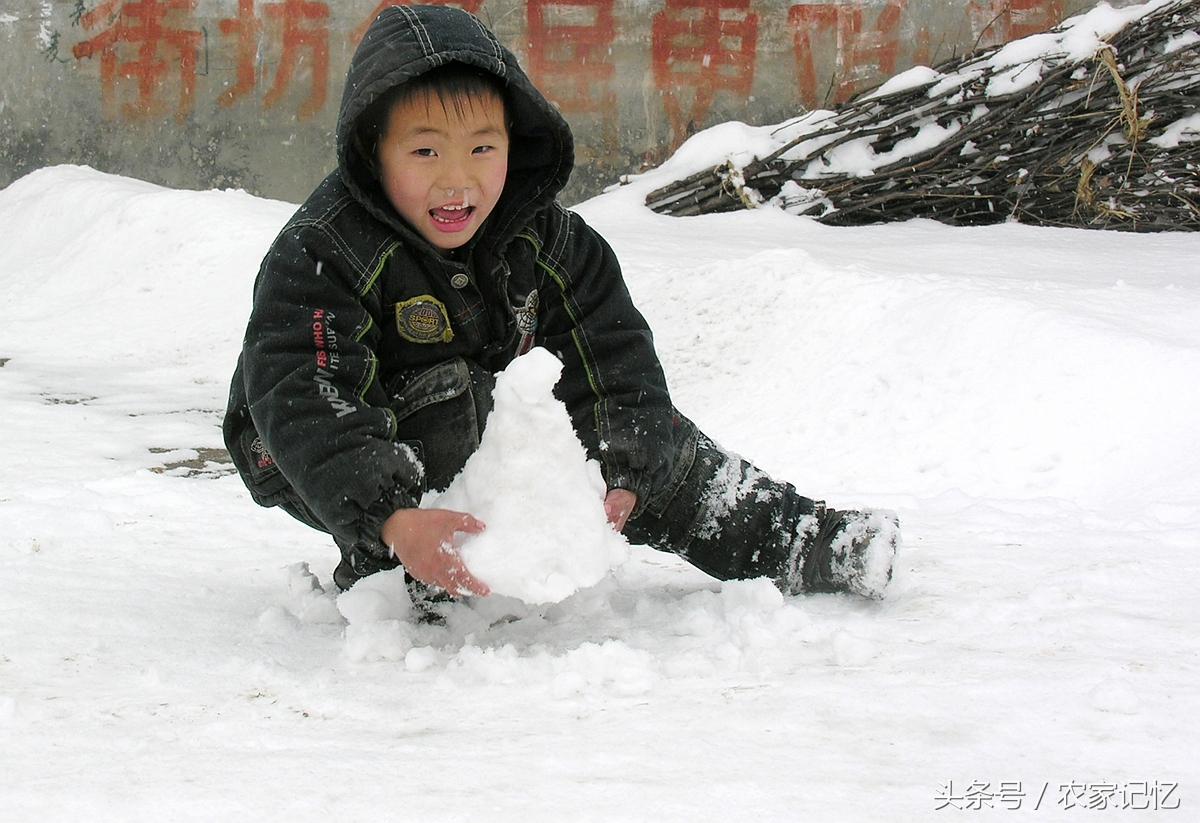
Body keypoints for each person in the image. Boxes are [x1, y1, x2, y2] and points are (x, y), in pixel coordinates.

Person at [223, 4, 900, 604]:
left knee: (644, 438)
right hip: (297, 447)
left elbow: (610, 353)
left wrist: (627, 463)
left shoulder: (543, 238)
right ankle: (399, 575)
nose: (457, 180)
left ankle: (802, 540)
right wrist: (389, 517)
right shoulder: (324, 249)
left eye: (481, 149)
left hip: (456, 409)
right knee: (455, 397)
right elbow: (301, 388)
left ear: (514, 148)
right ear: (375, 151)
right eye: (425, 150)